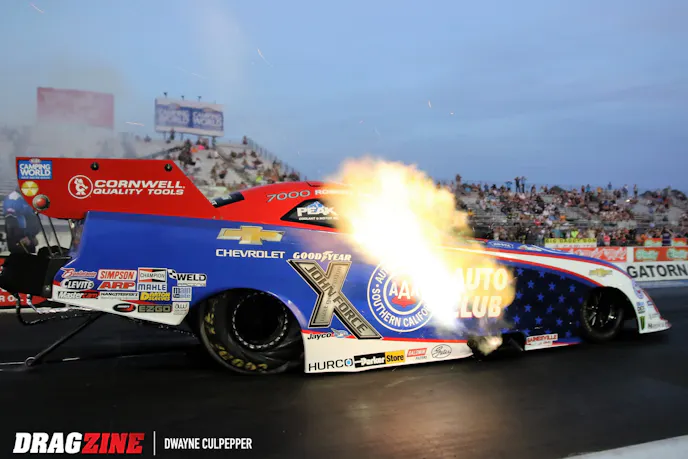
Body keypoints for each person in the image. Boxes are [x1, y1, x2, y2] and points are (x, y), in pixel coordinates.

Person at [2, 188, 40, 254]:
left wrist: (33, 235)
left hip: (28, 238)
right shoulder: (13, 199)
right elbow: (10, 222)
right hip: (21, 240)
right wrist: (20, 238)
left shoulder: (29, 198)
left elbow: (32, 217)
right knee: (20, 258)